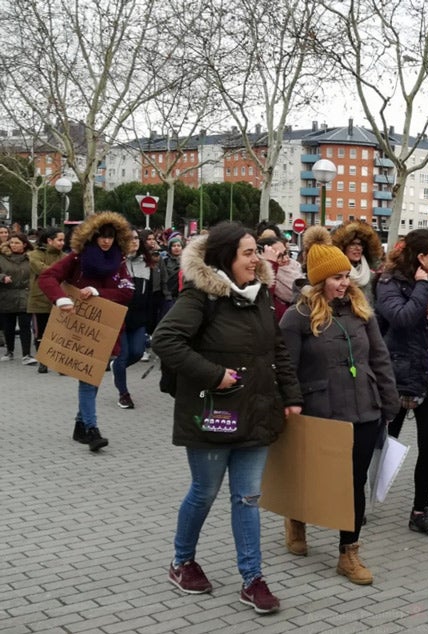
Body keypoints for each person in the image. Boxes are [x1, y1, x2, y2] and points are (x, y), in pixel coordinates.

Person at [152, 222, 303, 615]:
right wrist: (214, 374)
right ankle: (182, 561)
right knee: (204, 492)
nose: (259, 259)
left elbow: (277, 350)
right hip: (211, 413)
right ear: (226, 259)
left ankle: (253, 580)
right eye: (249, 253)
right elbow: (165, 339)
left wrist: (292, 396)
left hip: (256, 411)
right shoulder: (201, 295)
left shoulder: (263, 294)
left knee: (248, 497)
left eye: (258, 251)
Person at [279, 243, 398, 584]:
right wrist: (291, 404)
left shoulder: (361, 311)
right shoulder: (297, 317)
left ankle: (349, 552)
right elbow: (286, 367)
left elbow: (379, 358)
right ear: (319, 281)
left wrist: (388, 401)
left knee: (353, 483)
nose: (344, 283)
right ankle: (296, 518)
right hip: (320, 413)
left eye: (347, 276)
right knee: (313, 476)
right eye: (336, 277)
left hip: (364, 410)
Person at [376, 229, 428, 539]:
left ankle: (420, 511)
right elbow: (402, 318)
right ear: (421, 258)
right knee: (381, 444)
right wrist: (422, 285)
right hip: (398, 378)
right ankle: (355, 501)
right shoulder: (388, 283)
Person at [38, 212, 135, 451]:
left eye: (111, 237)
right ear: (92, 236)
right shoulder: (77, 258)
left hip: (108, 328)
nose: (106, 241)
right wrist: (60, 299)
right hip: (80, 327)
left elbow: (127, 290)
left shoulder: (118, 260)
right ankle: (92, 430)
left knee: (93, 376)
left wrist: (99, 292)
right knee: (88, 378)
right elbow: (47, 277)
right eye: (102, 236)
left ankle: (80, 425)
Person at [113, 228, 155, 409]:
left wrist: (152, 322)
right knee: (122, 357)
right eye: (130, 238)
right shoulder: (114, 263)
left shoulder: (147, 263)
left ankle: (116, 367)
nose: (134, 241)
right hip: (119, 317)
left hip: (139, 318)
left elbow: (153, 294)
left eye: (137, 238)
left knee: (137, 353)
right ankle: (123, 394)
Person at [27, 227, 65, 373]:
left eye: (63, 240)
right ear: (49, 240)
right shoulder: (34, 254)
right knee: (41, 333)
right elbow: (43, 270)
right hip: (40, 299)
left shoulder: (65, 256)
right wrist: (61, 271)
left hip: (60, 299)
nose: (62, 243)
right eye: (59, 240)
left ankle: (61, 363)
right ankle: (43, 361)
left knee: (60, 333)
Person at [0, 233, 35, 364]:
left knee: (25, 326)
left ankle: (27, 354)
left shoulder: (31, 258)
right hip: (6, 295)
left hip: (25, 295)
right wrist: (2, 277)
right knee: (8, 326)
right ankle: (10, 351)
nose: (13, 245)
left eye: (17, 243)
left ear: (24, 244)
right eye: (12, 242)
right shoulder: (2, 257)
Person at [331, 221, 383, 306]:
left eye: (360, 244)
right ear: (343, 247)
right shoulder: (334, 273)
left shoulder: (371, 275)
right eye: (352, 244)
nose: (358, 248)